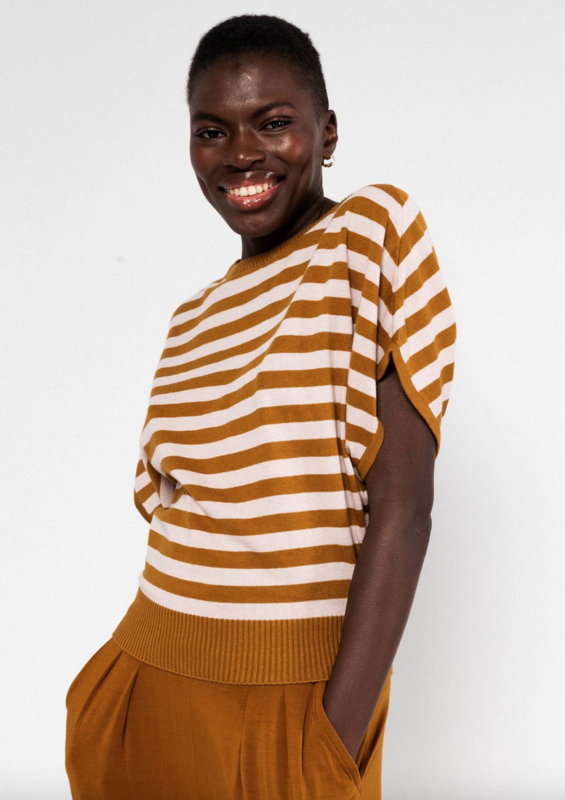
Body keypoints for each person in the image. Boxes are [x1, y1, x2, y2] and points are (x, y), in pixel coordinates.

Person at [64, 13, 456, 800]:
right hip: (146, 682)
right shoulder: (192, 317)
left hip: (293, 706)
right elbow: (174, 503)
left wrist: (332, 738)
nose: (241, 153)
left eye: (272, 123)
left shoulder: (369, 235)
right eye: (211, 131)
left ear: (327, 131)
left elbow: (404, 509)